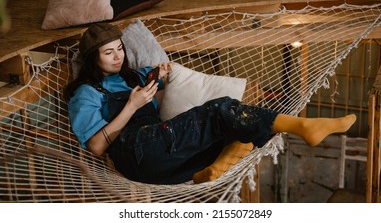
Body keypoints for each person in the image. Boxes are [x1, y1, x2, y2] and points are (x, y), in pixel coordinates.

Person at [64, 23, 357, 185]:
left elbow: (162, 78)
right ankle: (305, 125)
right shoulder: (86, 93)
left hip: (170, 167)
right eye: (108, 53)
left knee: (244, 132)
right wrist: (132, 105)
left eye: (119, 49)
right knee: (220, 110)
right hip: (136, 153)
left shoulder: (133, 76)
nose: (117, 57)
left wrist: (163, 74)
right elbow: (97, 147)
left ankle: (215, 169)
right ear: (93, 58)